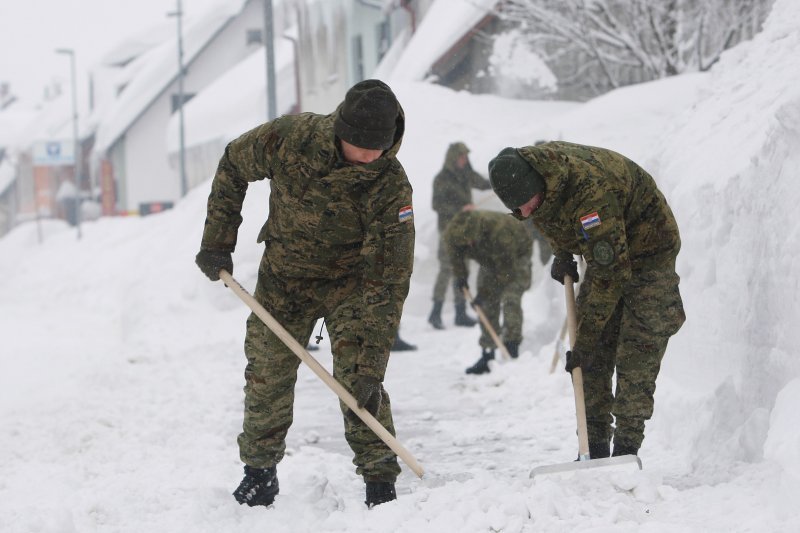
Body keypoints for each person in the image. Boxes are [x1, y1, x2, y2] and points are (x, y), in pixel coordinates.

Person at [195, 79, 414, 508]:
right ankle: (259, 474)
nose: (368, 157)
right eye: (359, 146)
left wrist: (373, 364)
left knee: (359, 382)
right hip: (285, 278)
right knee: (267, 372)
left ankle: (380, 482)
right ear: (339, 129)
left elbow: (389, 279)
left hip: (351, 285)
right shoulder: (291, 139)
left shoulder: (390, 185)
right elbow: (233, 164)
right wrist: (218, 240)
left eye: (378, 149)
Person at [487, 141, 685, 458]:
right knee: (590, 359)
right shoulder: (535, 182)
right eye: (517, 209)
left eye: (526, 204)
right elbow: (550, 212)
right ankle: (592, 448)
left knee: (637, 353)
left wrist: (585, 340)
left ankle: (625, 452)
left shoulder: (590, 192)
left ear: (538, 186)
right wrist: (562, 251)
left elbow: (611, 274)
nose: (523, 213)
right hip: (605, 250)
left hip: (650, 252)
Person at [443, 209, 533, 374]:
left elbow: (506, 272)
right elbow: (456, 259)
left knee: (510, 298)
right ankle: (487, 355)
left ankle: (512, 349)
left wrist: (483, 294)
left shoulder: (499, 229)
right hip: (489, 260)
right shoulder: (452, 236)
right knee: (485, 306)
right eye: (465, 244)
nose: (469, 245)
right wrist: (461, 277)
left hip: (516, 256)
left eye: (471, 241)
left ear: (477, 233)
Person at [428, 142, 492, 330]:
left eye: (466, 157)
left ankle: (460, 313)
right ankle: (435, 313)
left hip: (465, 230)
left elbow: (482, 184)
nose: (464, 160)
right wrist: (460, 209)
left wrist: (500, 181)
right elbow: (436, 205)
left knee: (462, 268)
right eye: (461, 157)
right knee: (447, 268)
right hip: (448, 230)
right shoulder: (441, 178)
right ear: (453, 158)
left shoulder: (466, 175)